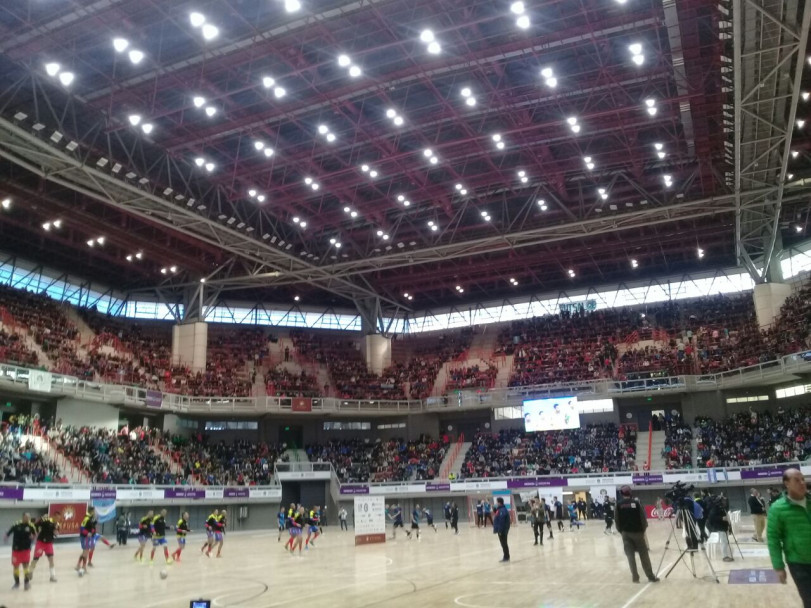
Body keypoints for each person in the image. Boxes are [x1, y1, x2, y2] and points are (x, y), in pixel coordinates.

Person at [767, 468, 811, 607]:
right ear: (786, 483)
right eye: (797, 480)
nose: (802, 483)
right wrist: (778, 566)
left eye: (803, 479)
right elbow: (773, 539)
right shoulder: (777, 508)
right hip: (799, 563)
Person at [615, 485, 659, 583]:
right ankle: (650, 576)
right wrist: (642, 531)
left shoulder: (618, 505)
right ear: (630, 493)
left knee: (630, 557)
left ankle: (635, 578)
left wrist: (622, 532)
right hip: (638, 533)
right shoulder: (636, 503)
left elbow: (617, 521)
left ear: (621, 494)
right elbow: (643, 519)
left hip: (625, 534)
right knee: (644, 556)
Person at [4, 513, 36, 590]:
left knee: (25, 566)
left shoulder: (31, 526)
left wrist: (33, 537)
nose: (27, 519)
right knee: (16, 567)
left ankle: (26, 583)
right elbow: (9, 532)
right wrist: (6, 536)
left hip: (26, 549)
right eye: (26, 517)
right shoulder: (16, 524)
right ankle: (17, 583)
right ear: (23, 517)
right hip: (16, 550)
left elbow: (35, 534)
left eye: (29, 517)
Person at [30, 513, 59, 582]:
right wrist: (41, 518)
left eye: (59, 518)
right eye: (57, 517)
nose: (58, 519)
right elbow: (35, 525)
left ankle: (52, 576)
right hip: (40, 543)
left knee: (51, 559)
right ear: (54, 516)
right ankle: (30, 571)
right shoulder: (45, 521)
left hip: (49, 544)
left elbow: (56, 534)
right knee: (36, 559)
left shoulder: (57, 524)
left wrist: (56, 531)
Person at [706, 494, 733, 562]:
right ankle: (725, 556)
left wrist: (729, 526)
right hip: (719, 527)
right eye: (723, 500)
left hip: (724, 526)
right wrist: (721, 518)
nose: (725, 502)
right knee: (724, 541)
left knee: (726, 541)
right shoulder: (715, 508)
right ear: (720, 501)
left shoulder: (722, 507)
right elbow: (711, 518)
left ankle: (725, 554)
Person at [76, 506, 97, 574]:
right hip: (85, 537)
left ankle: (79, 565)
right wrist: (87, 533)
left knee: (85, 552)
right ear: (91, 511)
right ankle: (83, 567)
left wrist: (93, 532)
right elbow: (82, 528)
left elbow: (93, 527)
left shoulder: (91, 519)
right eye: (94, 511)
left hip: (89, 537)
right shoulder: (87, 518)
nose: (95, 512)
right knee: (85, 552)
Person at [492, 497, 510, 562]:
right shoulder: (500, 510)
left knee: (504, 544)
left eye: (496, 502)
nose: (496, 503)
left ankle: (506, 557)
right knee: (503, 544)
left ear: (499, 503)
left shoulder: (502, 510)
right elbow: (497, 514)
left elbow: (501, 521)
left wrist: (500, 530)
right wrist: (494, 509)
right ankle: (506, 556)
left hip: (503, 530)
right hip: (501, 529)